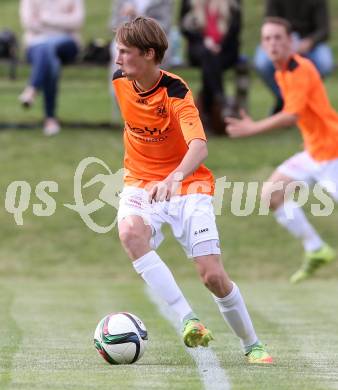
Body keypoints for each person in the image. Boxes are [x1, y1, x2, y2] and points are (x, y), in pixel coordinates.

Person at [112, 16, 273, 364]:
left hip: (188, 184)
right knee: (129, 232)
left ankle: (253, 345)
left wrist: (174, 177)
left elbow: (199, 146)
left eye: (125, 52)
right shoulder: (119, 82)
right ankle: (189, 319)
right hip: (140, 182)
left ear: (149, 54)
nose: (117, 59)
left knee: (212, 276)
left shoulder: (176, 92)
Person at [226, 17, 337, 283]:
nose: (273, 43)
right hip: (313, 152)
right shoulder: (281, 71)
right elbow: (308, 113)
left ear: (291, 41)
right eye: (267, 38)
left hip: (332, 153)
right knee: (272, 194)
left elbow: (291, 115)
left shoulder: (301, 68)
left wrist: (252, 128)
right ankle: (316, 248)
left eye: (278, 38)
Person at [180, 0, 249, 135]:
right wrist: (205, 42)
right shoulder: (189, 2)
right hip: (198, 47)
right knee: (208, 56)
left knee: (210, 61)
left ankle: (206, 114)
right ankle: (221, 101)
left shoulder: (233, 3)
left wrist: (220, 45)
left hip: (226, 49)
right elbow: (185, 28)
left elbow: (236, 27)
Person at [254, 0, 334, 114]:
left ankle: (305, 99)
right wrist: (283, 43)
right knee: (262, 61)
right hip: (281, 39)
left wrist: (309, 42)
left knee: (324, 62)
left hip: (309, 41)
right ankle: (286, 99)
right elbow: (269, 24)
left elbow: (324, 30)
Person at [19, 0, 85, 135]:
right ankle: (50, 119)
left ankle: (32, 88)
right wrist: (62, 23)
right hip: (35, 46)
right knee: (51, 61)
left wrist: (46, 19)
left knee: (47, 47)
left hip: (67, 44)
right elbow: (29, 23)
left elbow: (77, 22)